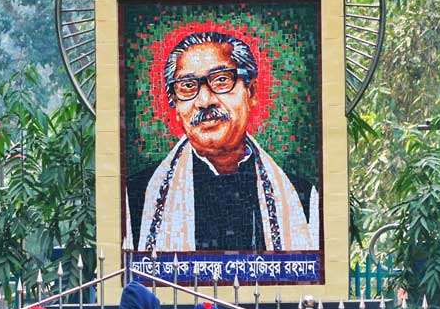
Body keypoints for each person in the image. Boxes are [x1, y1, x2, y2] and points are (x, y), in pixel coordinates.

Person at [125, 31, 319, 253]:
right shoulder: (138, 199)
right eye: (188, 86)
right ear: (176, 107)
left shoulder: (301, 198)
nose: (205, 101)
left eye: (221, 80)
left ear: (251, 91)